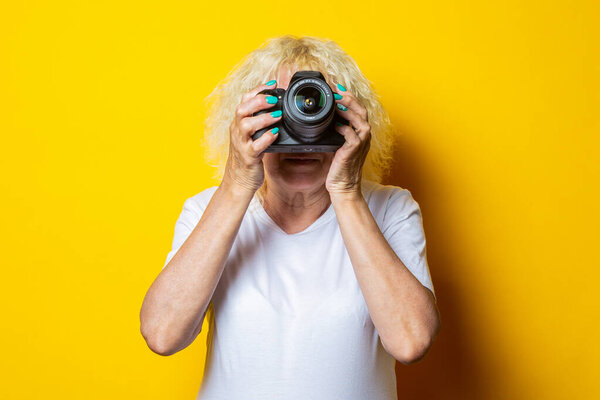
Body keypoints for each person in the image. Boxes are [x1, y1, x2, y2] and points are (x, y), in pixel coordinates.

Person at [140, 35, 441, 400]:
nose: (303, 129)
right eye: (280, 111)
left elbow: (411, 341)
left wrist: (346, 192)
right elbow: (161, 333)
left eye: (318, 108)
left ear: (350, 119)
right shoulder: (209, 210)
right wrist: (236, 185)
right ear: (246, 121)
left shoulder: (391, 208)